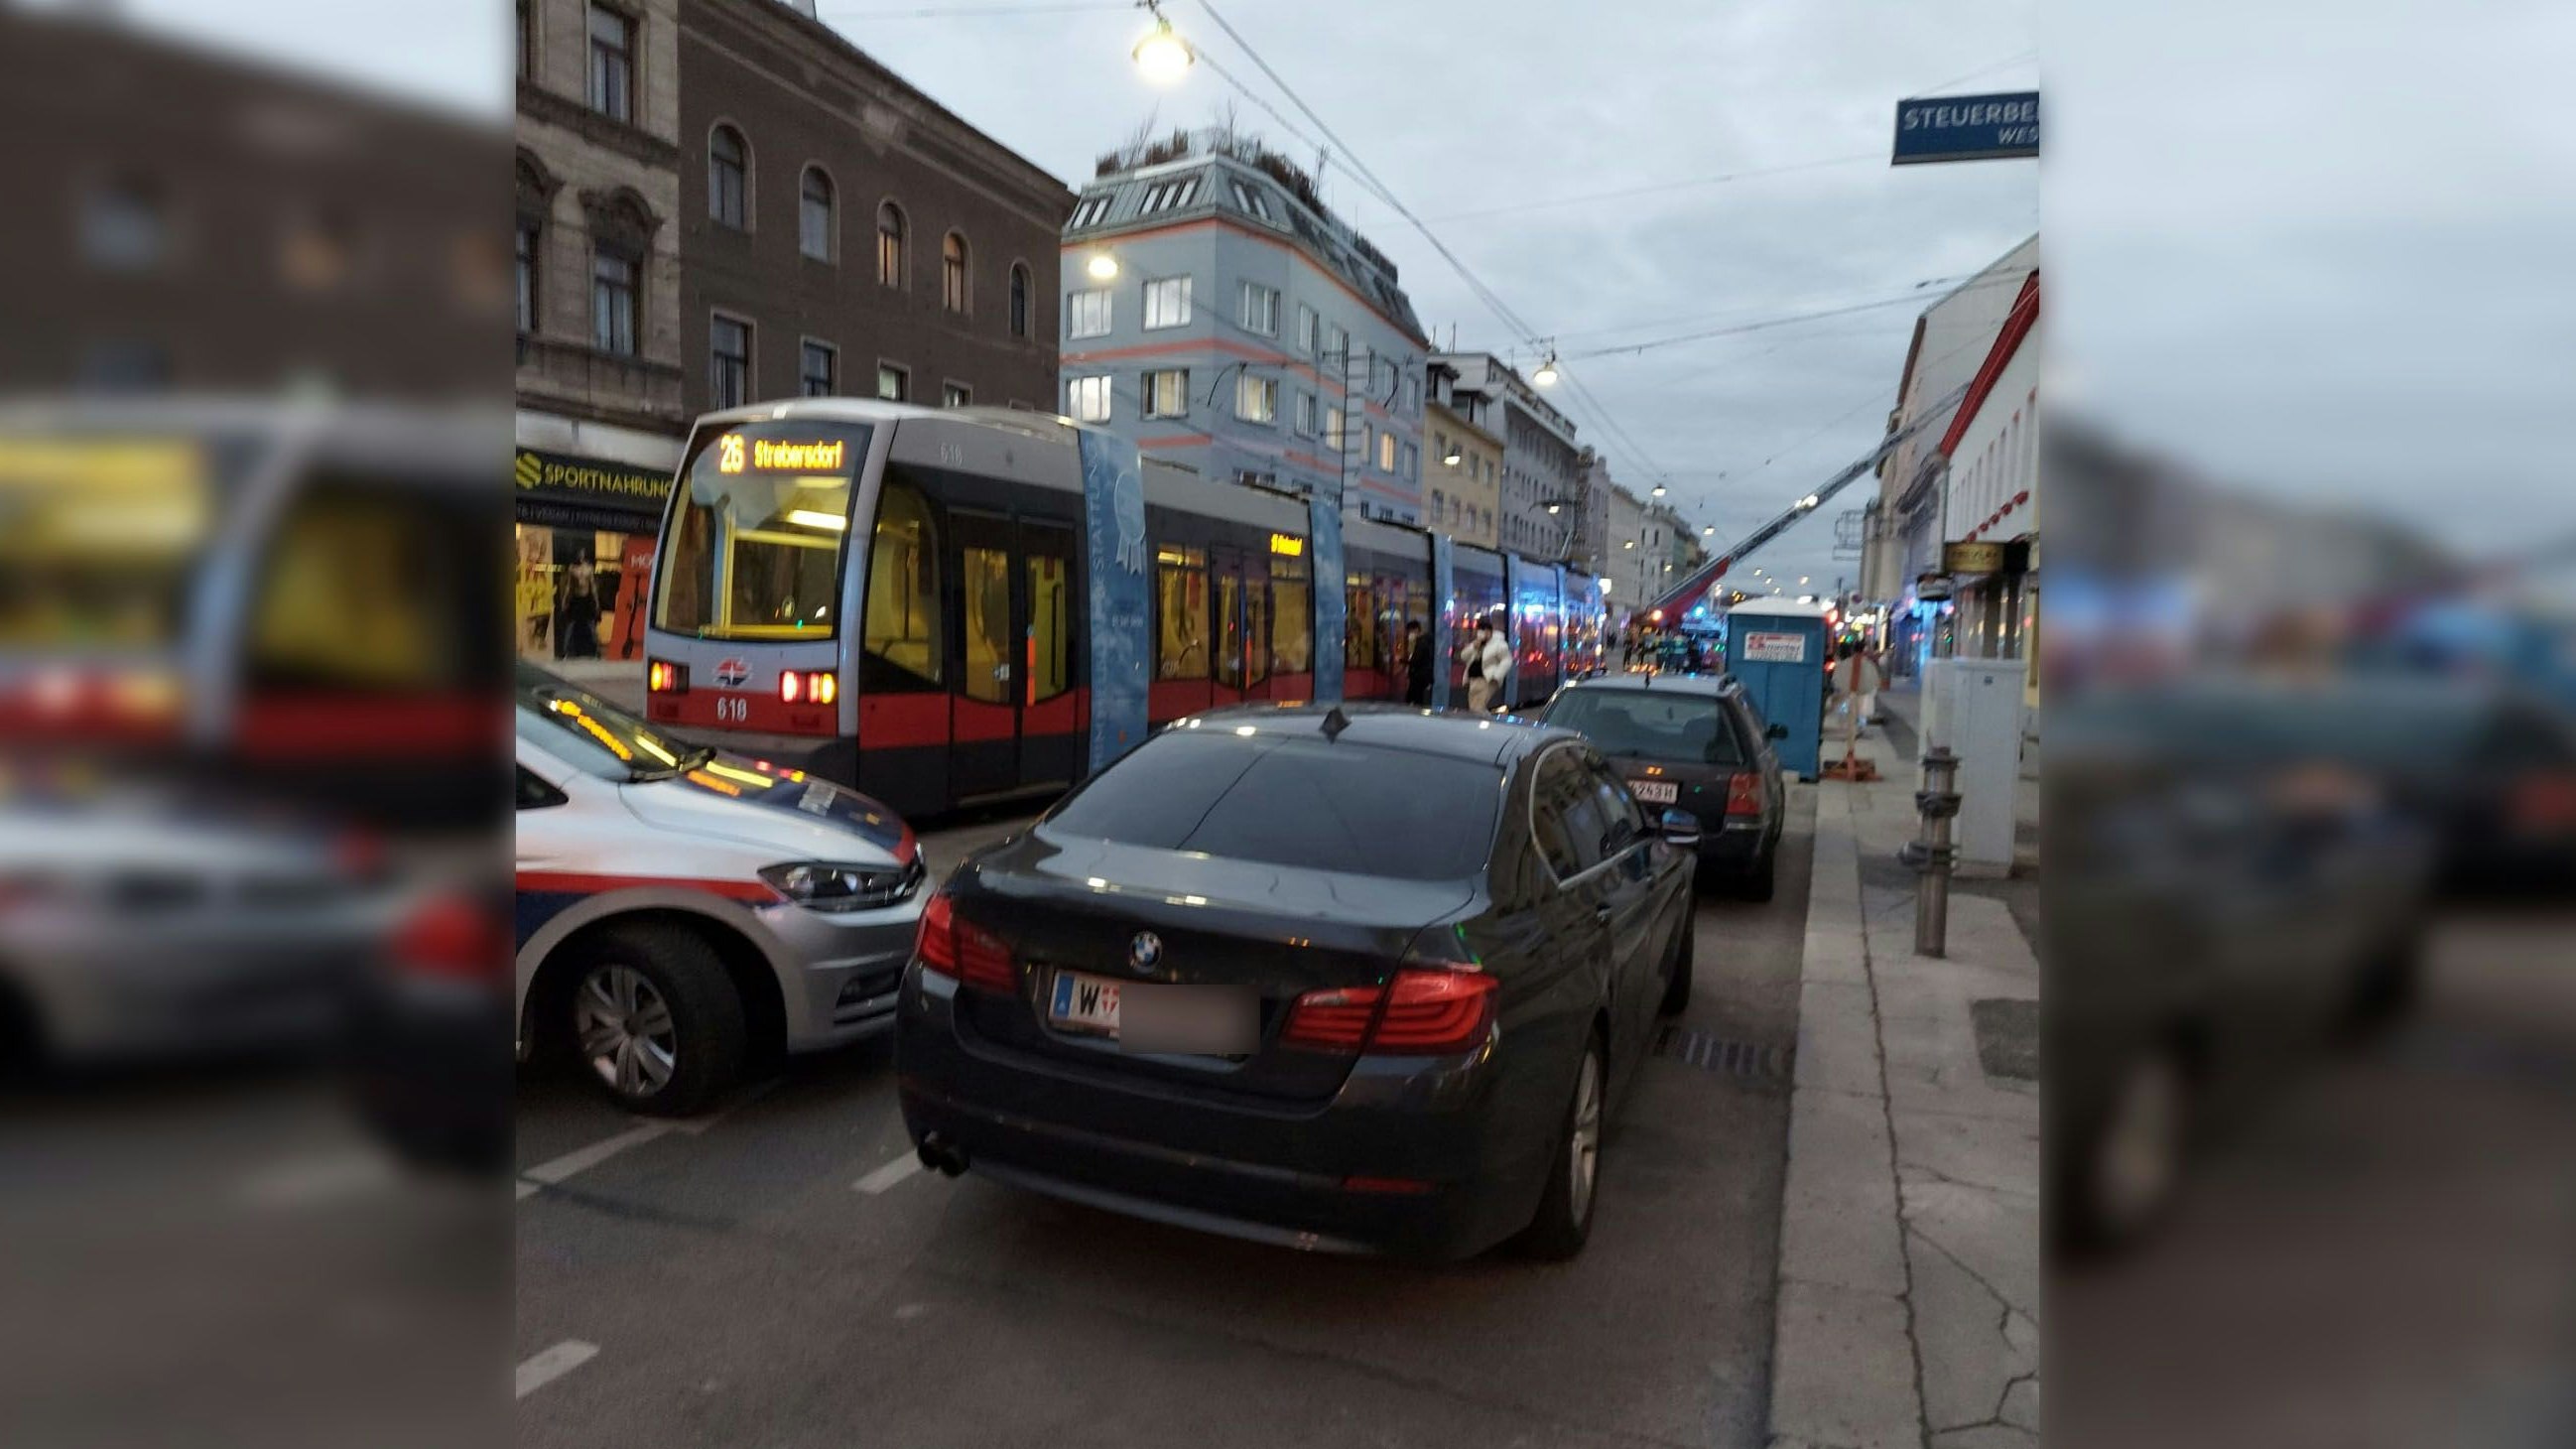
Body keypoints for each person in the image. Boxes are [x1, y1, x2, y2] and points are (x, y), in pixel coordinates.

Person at [1402, 619, 1434, 706]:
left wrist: (1403, 661)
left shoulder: (1421, 643)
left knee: (1415, 700)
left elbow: (1416, 660)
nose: (1409, 635)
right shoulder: (1423, 642)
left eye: (1410, 632)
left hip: (1419, 677)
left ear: (1416, 630)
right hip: (1421, 677)